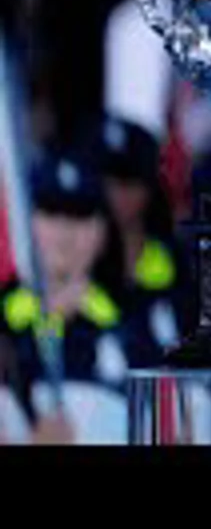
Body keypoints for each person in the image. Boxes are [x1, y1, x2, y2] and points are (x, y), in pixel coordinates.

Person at [0, 154, 161, 445]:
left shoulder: (134, 325)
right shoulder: (3, 320)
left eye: (80, 216)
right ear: (24, 223)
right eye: (51, 214)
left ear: (102, 230)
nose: (64, 234)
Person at [83, 115, 187, 355]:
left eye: (127, 179)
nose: (113, 192)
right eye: (103, 179)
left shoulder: (179, 266)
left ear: (149, 185)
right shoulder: (67, 266)